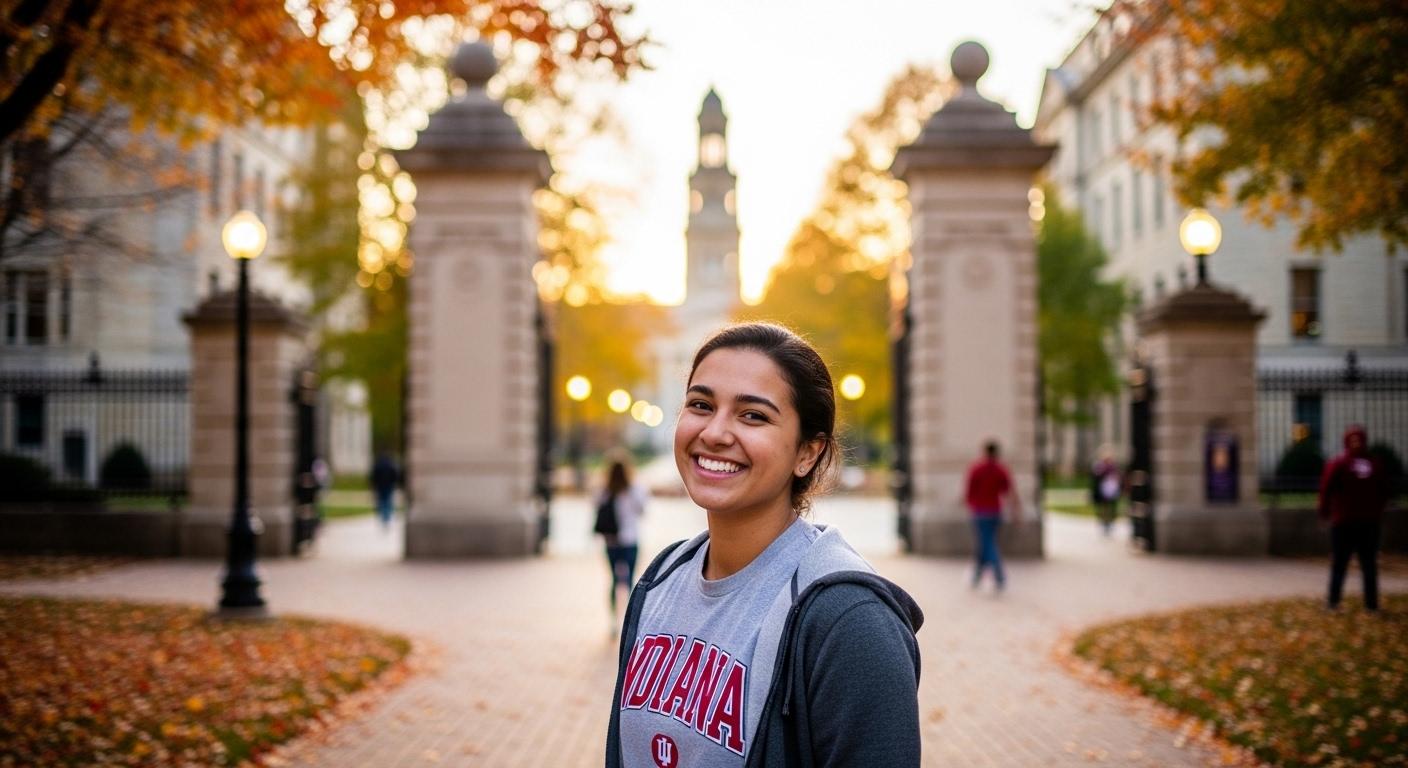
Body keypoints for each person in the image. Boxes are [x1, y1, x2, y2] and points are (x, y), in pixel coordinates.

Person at [605, 323, 922, 768]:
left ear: (808, 453)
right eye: (701, 404)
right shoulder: (661, 580)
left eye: (752, 415)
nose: (715, 433)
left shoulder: (850, 620)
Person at [1318, 425, 1390, 612]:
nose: (1356, 443)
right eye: (1353, 440)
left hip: (1359, 522)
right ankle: (1336, 602)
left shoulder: (1344, 463)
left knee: (1365, 565)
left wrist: (1325, 512)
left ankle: (1369, 604)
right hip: (1349, 522)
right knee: (1345, 564)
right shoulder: (1355, 464)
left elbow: (1383, 491)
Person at [965, 440, 1020, 591]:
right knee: (986, 543)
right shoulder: (1000, 469)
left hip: (981, 511)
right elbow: (1009, 492)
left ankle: (999, 575)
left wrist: (970, 504)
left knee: (987, 543)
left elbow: (969, 491)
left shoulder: (977, 468)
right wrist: (1015, 511)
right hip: (995, 511)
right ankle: (977, 574)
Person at [599, 458, 649, 620]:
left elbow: (596, 509)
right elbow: (642, 510)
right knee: (630, 580)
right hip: (630, 540)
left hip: (611, 541)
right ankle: (629, 617)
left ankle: (614, 618)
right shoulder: (634, 489)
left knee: (614, 579)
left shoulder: (605, 491)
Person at [1090, 445, 1122, 536]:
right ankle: (1104, 523)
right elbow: (1094, 479)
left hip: (1112, 490)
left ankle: (1110, 523)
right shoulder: (1099, 466)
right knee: (1103, 507)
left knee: (1111, 507)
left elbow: (1118, 478)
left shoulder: (1113, 466)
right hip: (1102, 491)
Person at [369, 452, 399, 528]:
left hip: (380, 486)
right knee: (388, 501)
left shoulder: (378, 465)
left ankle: (383, 516)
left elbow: (374, 476)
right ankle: (387, 517)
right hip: (389, 485)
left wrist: (373, 485)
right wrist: (394, 483)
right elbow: (394, 475)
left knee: (382, 501)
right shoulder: (390, 464)